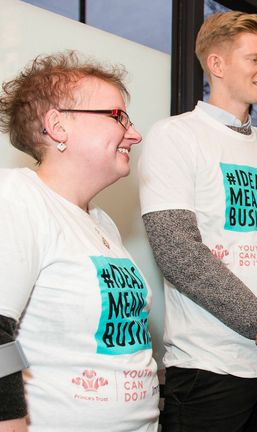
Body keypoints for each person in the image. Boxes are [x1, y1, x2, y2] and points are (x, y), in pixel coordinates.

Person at [138, 11, 257, 432]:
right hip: (210, 367)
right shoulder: (174, 135)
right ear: (216, 64)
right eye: (255, 59)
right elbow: (176, 248)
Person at [0, 52, 158, 431]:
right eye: (118, 116)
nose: (134, 133)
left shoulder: (100, 221)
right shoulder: (16, 197)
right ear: (58, 126)